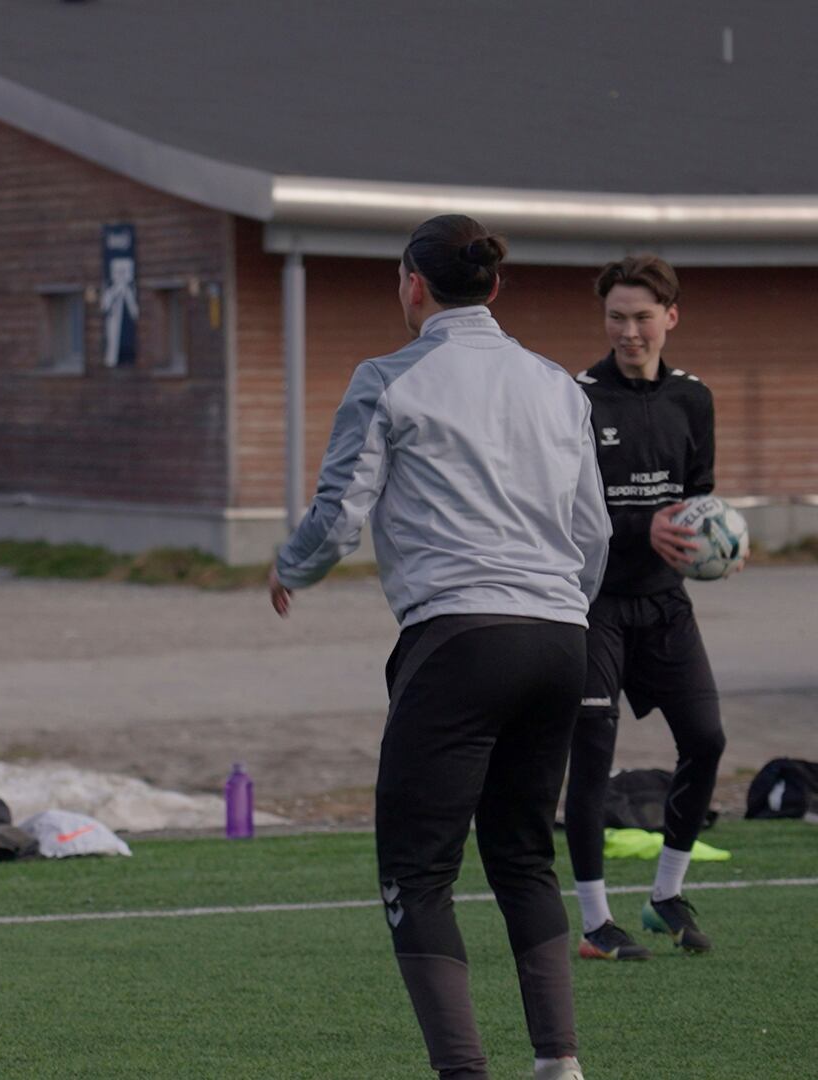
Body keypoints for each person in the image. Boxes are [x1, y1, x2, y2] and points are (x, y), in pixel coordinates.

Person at [267, 217, 609, 1080]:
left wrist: (289, 569)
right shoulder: (559, 384)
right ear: (493, 288)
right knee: (524, 853)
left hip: (459, 639)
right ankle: (560, 1065)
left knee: (416, 875)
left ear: (413, 286)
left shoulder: (387, 378)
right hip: (560, 637)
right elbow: (591, 531)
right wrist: (559, 609)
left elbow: (341, 513)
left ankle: (465, 1072)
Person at [562, 256, 727, 960]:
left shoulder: (694, 399)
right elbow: (559, 510)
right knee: (592, 754)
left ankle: (665, 895)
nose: (629, 331)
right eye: (617, 318)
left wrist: (714, 544)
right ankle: (596, 922)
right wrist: (639, 529)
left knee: (708, 739)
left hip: (664, 605)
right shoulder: (576, 397)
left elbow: (699, 501)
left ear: (671, 317)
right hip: (594, 604)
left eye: (642, 317)